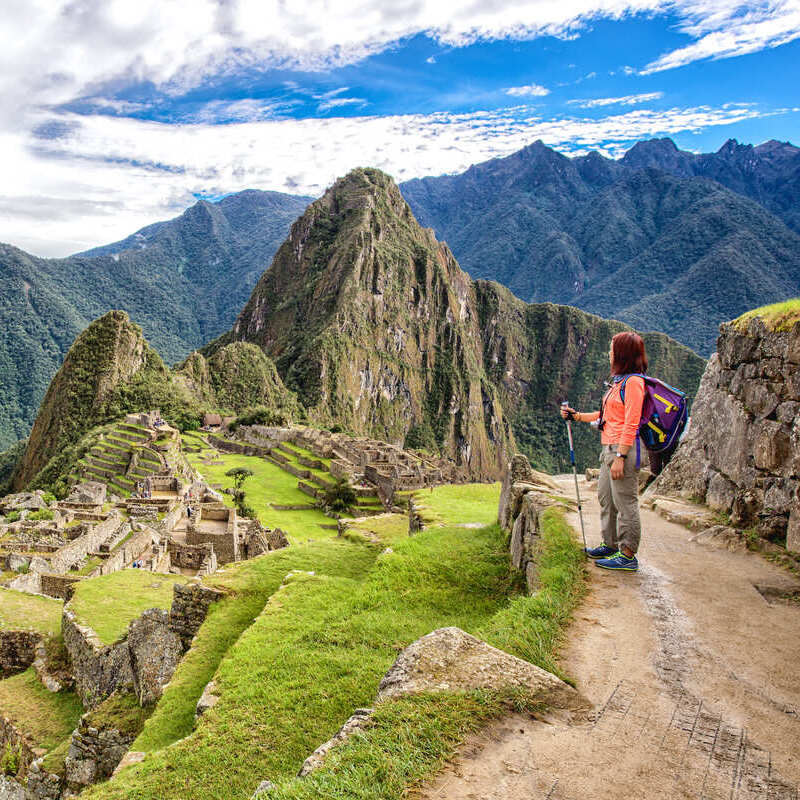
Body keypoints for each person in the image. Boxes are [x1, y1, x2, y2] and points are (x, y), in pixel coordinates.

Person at [560, 331, 647, 572]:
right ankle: (610, 545)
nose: (609, 354)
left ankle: (628, 554)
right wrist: (577, 416)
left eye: (612, 350)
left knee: (625, 502)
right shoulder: (619, 382)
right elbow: (605, 416)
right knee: (606, 499)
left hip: (623, 451)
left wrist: (621, 456)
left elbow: (632, 422)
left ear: (622, 354)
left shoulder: (634, 383)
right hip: (608, 449)